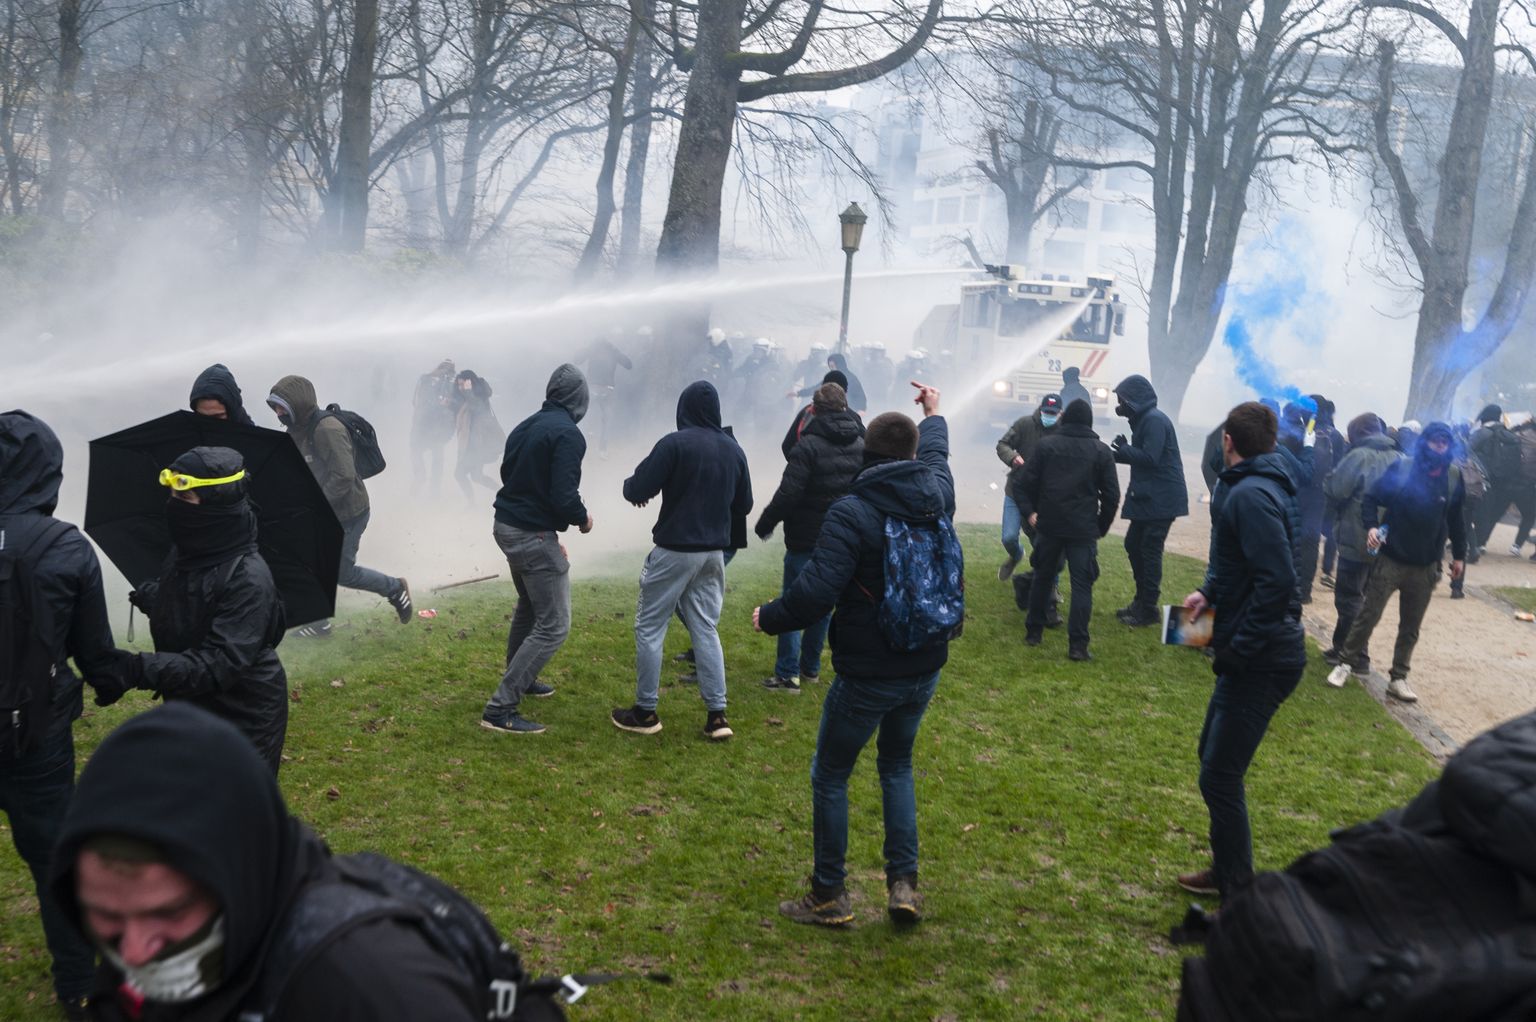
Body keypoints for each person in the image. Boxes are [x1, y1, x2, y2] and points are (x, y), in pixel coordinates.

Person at [49, 703, 481, 1021]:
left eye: (170, 911)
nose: (135, 952)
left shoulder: (376, 989)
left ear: (241, 874)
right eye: (105, 915)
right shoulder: (142, 945)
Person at [754, 382, 955, 928]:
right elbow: (935, 454)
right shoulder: (937, 492)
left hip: (869, 670)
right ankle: (903, 886)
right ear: (912, 455)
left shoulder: (852, 511)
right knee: (897, 765)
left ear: (868, 454)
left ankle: (828, 895)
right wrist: (934, 415)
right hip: (925, 662)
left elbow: (817, 592)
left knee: (832, 774)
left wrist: (770, 616)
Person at [0, 411, 125, 1021]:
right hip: (37, 734)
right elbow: (96, 652)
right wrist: (108, 685)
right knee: (53, 855)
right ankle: (77, 986)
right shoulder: (66, 548)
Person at [1178, 401, 1305, 900]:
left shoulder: (1251, 494)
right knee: (1211, 760)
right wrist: (1208, 593)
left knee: (1220, 774)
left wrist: (1241, 649)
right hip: (1252, 646)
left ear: (1228, 441)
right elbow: (1239, 563)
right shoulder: (1253, 484)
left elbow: (1276, 582)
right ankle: (1227, 868)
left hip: (1265, 656)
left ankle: (1237, 888)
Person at [117, 447, 288, 772]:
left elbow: (217, 664)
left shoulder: (248, 577)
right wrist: (154, 597)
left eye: (185, 498)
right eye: (171, 496)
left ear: (215, 504)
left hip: (243, 720)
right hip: (190, 707)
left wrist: (138, 669)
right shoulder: (186, 550)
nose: (173, 507)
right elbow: (195, 607)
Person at [613, 381, 752, 740]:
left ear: (683, 410)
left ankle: (645, 712)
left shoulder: (675, 443)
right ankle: (717, 716)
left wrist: (635, 492)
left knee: (649, 628)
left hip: (674, 550)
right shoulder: (733, 449)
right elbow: (745, 505)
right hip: (713, 554)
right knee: (705, 628)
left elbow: (638, 487)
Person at [481, 365, 593, 736]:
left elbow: (508, 473)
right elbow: (564, 495)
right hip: (531, 535)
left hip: (508, 526)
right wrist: (582, 518)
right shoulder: (569, 435)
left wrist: (544, 523)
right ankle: (500, 709)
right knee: (555, 625)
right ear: (579, 400)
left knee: (530, 606)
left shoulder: (526, 425)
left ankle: (522, 677)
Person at [1326, 421, 1467, 703]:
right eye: (1434, 441)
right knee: (1369, 615)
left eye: (1444, 443)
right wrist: (1371, 527)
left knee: (1411, 626)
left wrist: (1460, 556)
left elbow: (1456, 519)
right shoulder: (1403, 468)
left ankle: (1398, 678)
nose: (1439, 447)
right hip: (1391, 558)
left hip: (1426, 564)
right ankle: (1345, 663)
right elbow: (1371, 499)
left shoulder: (1453, 476)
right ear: (1424, 442)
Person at [266, 376, 412, 636]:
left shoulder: (327, 429)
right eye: (275, 407)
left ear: (297, 404)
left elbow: (343, 476)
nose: (278, 413)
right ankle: (319, 622)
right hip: (322, 513)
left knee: (343, 573)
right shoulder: (296, 429)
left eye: (281, 407)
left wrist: (315, 503)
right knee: (308, 564)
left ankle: (395, 588)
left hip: (349, 514)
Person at [754, 382, 865, 692]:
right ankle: (811, 668)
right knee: (823, 602)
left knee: (793, 600)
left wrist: (766, 523)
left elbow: (788, 494)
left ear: (813, 410)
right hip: (842, 540)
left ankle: (787, 674)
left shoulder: (808, 447)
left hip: (805, 537)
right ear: (845, 407)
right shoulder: (861, 444)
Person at [1019, 398, 1120, 661]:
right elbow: (1111, 496)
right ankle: (1078, 645)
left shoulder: (1045, 446)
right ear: (1089, 422)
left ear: (1064, 419)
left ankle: (1034, 631)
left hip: (1049, 525)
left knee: (1043, 578)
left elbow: (1024, 484)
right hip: (1082, 529)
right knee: (1082, 586)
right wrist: (1100, 527)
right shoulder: (1101, 451)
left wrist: (1030, 512)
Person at [1321, 413, 1401, 672]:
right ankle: (1342, 646)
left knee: (1348, 597)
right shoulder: (1398, 457)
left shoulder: (1359, 456)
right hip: (1387, 537)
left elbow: (1337, 489)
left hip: (1357, 535)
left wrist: (1330, 476)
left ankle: (1356, 655)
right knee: (1365, 597)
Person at [1109, 374, 1189, 626]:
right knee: (1133, 544)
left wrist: (1124, 451)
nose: (1119, 404)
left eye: (1122, 400)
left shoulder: (1153, 420)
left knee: (1149, 550)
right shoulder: (1144, 419)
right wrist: (1115, 454)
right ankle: (1141, 600)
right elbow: (1141, 456)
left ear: (1134, 399)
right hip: (1150, 496)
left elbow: (1151, 458)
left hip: (1161, 498)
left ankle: (1148, 608)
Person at [995, 394, 1063, 581]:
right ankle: (1016, 555)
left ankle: (1051, 588)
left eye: (1053, 413)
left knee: (1045, 544)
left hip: (1043, 498)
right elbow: (1003, 444)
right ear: (1040, 409)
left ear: (1060, 413)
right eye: (1045, 412)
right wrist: (1012, 457)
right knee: (1008, 537)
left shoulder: (1063, 433)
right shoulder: (1024, 424)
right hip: (1015, 492)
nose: (1048, 415)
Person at [1469, 404, 1530, 555]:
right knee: (1490, 512)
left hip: (1482, 478)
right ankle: (1480, 543)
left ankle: (1471, 543)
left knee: (1471, 510)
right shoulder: (1511, 436)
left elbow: (1467, 450)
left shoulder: (1483, 433)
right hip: (1504, 481)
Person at [575, 334, 634, 458]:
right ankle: (602, 450)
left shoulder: (595, 349)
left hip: (597, 388)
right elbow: (628, 364)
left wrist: (588, 348)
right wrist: (615, 350)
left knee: (585, 416)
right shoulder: (611, 350)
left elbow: (577, 359)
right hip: (606, 389)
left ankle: (583, 445)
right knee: (606, 420)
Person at [451, 370, 503, 504]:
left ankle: (473, 503)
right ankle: (503, 493)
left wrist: (468, 391)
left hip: (478, 445)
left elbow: (477, 408)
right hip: (473, 444)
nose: (460, 388)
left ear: (470, 383)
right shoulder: (468, 397)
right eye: (459, 385)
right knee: (476, 476)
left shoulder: (480, 396)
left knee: (460, 474)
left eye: (462, 384)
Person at [780, 369, 856, 458]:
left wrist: (800, 462)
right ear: (845, 393)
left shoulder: (807, 413)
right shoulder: (853, 417)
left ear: (823, 389)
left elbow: (788, 445)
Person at [409, 359, 458, 496]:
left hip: (435, 430)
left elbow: (417, 402)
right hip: (425, 428)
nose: (445, 374)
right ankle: (419, 492)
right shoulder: (426, 380)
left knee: (436, 464)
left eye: (448, 371)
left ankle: (431, 495)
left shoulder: (447, 384)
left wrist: (447, 403)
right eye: (445, 370)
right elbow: (418, 402)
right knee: (426, 464)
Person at [189, 364, 256, 425]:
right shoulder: (188, 434)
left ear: (232, 411)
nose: (210, 425)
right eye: (202, 418)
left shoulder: (253, 437)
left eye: (217, 417)